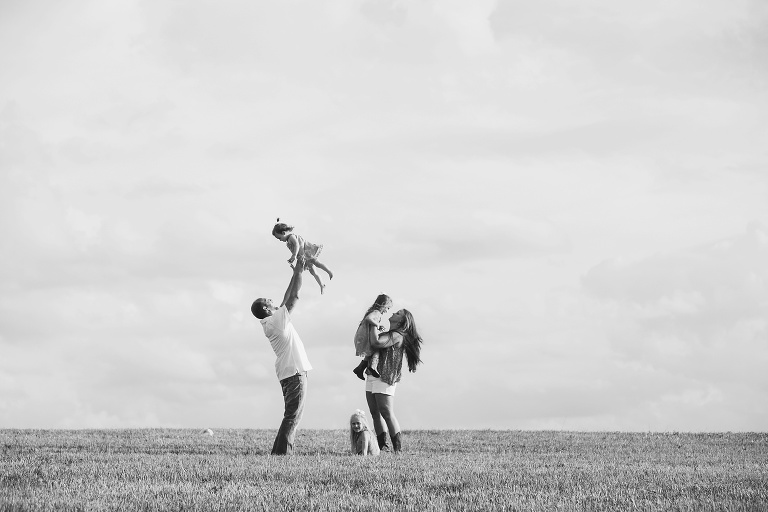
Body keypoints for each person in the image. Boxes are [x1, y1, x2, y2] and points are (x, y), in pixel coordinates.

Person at [250, 265, 311, 455]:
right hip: (294, 371)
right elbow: (294, 298)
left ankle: (278, 453)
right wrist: (300, 272)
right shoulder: (276, 321)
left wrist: (295, 274)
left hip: (289, 371)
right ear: (267, 309)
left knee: (291, 414)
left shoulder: (272, 320)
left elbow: (286, 297)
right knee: (293, 416)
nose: (272, 300)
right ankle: (283, 454)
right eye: (269, 300)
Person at [365, 309, 423, 453]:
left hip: (386, 376)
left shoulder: (397, 335)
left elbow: (376, 343)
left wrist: (373, 324)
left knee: (386, 412)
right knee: (375, 412)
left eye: (397, 314)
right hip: (373, 374)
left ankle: (398, 449)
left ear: (401, 322)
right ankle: (382, 447)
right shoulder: (388, 333)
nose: (393, 313)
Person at [272, 220, 333, 294]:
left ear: (283, 233)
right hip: (304, 257)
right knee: (313, 272)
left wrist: (294, 255)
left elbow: (297, 245)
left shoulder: (291, 237)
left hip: (307, 253)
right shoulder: (288, 242)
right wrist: (293, 257)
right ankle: (322, 285)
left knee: (317, 263)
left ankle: (329, 271)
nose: (280, 240)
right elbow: (294, 249)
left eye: (279, 238)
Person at [352, 294, 393, 381]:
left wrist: (378, 325)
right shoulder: (376, 312)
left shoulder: (374, 311)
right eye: (387, 308)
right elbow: (368, 318)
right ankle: (372, 366)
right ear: (383, 304)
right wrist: (377, 324)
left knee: (370, 351)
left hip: (361, 335)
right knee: (376, 347)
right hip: (364, 336)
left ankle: (360, 368)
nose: (387, 311)